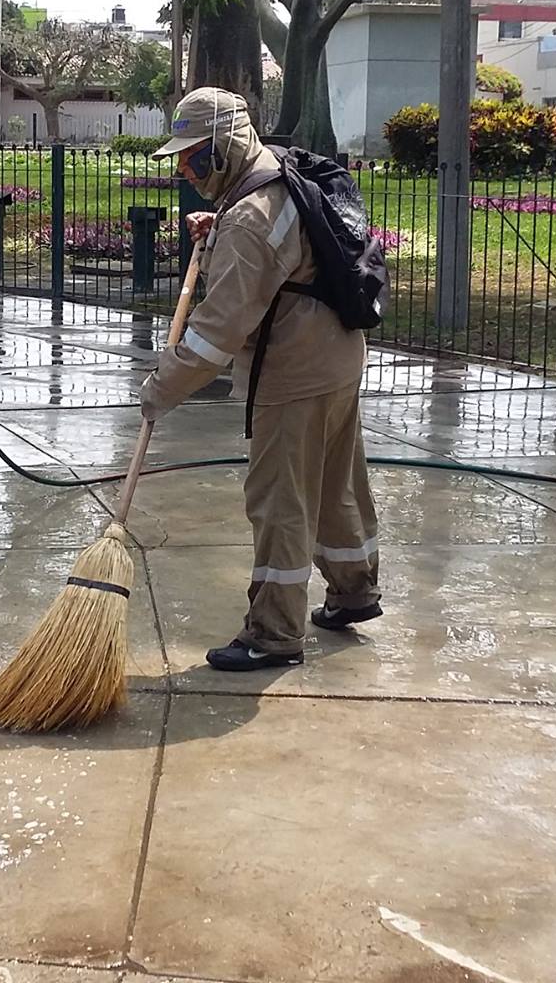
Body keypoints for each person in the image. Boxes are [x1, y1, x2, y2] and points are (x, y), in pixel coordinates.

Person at [137, 87, 380, 672]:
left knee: (280, 505)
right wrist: (218, 226)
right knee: (337, 485)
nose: (186, 169)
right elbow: (281, 247)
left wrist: (160, 389)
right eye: (180, 159)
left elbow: (214, 336)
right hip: (338, 357)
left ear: (225, 146)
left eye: (195, 156)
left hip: (293, 374)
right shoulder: (274, 172)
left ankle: (273, 633)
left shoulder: (249, 217)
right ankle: (355, 592)